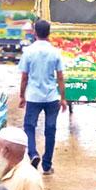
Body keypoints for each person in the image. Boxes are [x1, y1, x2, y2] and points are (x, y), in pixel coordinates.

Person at [19, 20, 67, 175]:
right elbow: (60, 77)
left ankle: (33, 153)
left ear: (34, 32)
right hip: (52, 96)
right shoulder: (55, 52)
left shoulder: (28, 52)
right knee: (50, 130)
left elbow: (24, 77)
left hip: (33, 96)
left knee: (29, 127)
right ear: (49, 33)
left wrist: (22, 95)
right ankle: (47, 165)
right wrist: (63, 98)